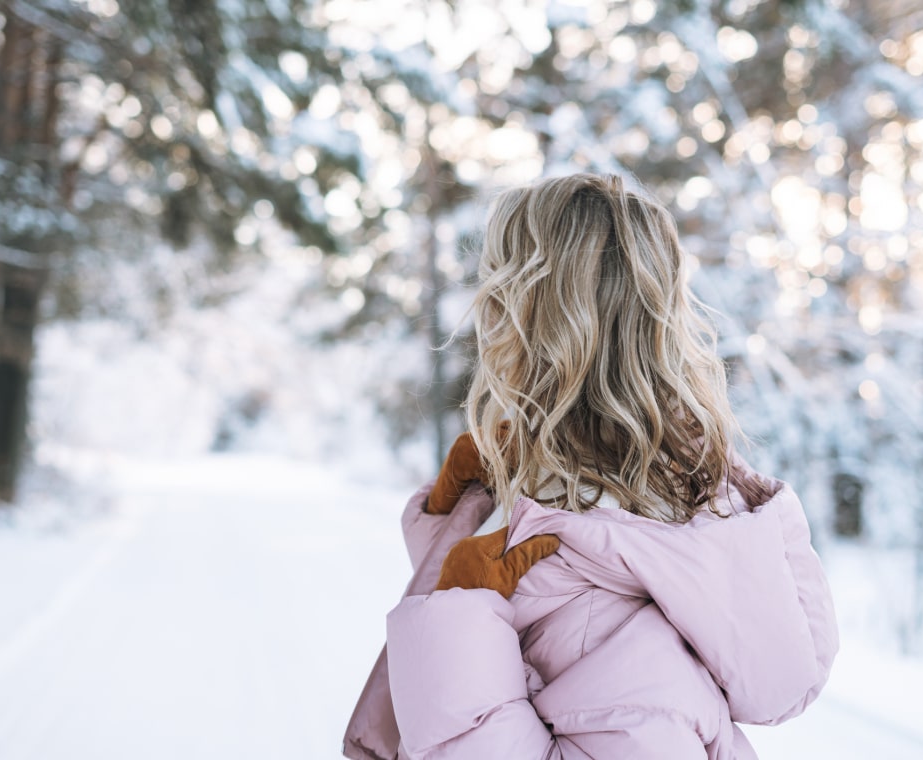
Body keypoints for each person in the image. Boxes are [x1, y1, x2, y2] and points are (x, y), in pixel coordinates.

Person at [343, 173, 838, 759]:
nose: (483, 316)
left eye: (497, 288)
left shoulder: (616, 618)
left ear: (535, 320)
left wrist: (455, 614)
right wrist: (467, 512)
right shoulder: (626, 516)